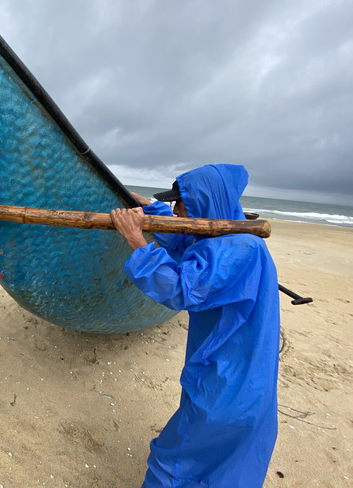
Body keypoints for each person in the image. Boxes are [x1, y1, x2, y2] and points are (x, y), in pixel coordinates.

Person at [110, 164, 279, 487]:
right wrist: (154, 209)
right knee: (225, 467)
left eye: (181, 204)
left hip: (225, 381)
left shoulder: (239, 248)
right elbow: (188, 243)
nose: (176, 209)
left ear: (206, 204)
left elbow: (180, 288)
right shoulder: (224, 237)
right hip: (248, 382)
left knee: (172, 460)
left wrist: (136, 240)